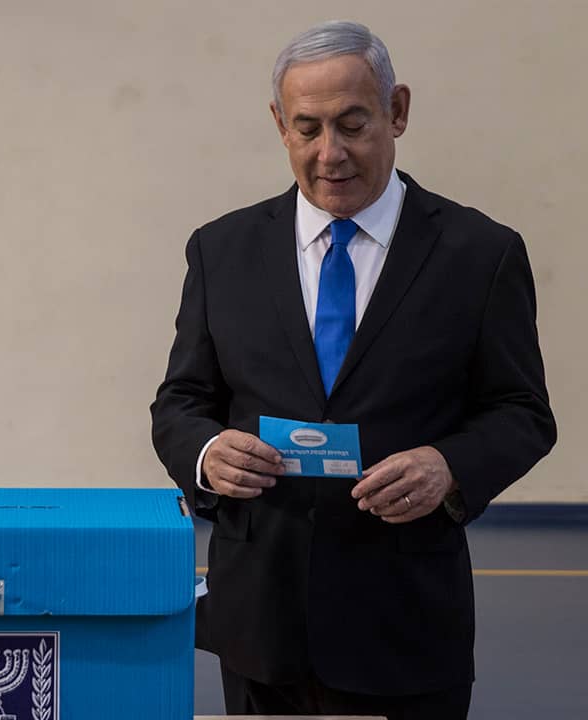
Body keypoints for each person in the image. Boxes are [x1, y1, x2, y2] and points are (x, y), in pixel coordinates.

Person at [150, 20, 557, 720]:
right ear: (279, 124)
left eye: (352, 124)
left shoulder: (478, 254)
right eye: (306, 128)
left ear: (397, 110)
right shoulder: (222, 250)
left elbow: (522, 411)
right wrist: (210, 453)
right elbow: (181, 403)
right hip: (259, 622)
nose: (329, 153)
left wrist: (448, 464)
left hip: (403, 622)